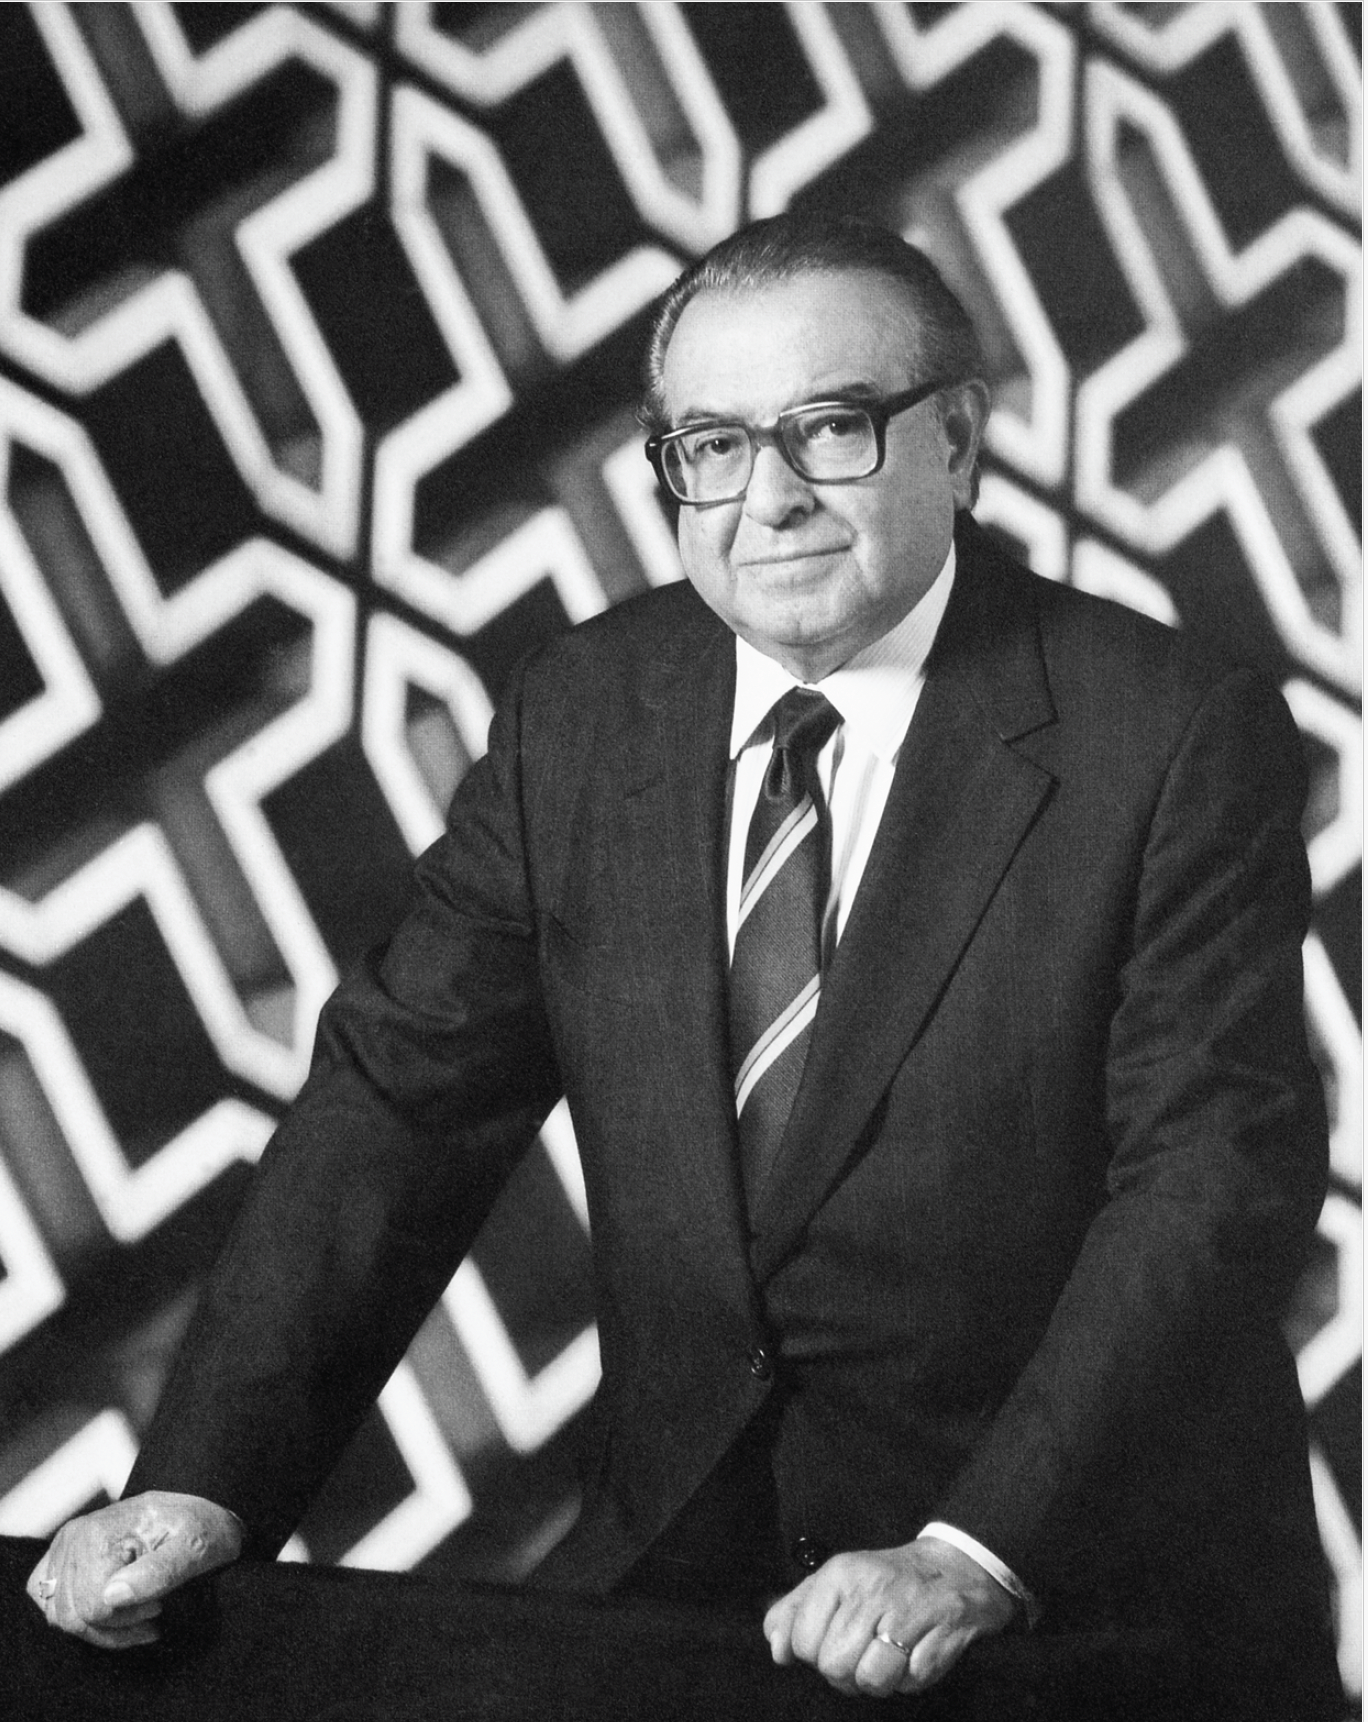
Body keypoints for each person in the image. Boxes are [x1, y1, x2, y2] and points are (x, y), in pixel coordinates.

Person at [27, 215, 1339, 1716]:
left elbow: (1210, 1177)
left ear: (960, 441)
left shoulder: (1170, 731)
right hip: (683, 1594)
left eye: (832, 428)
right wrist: (200, 1486)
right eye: (711, 445)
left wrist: (971, 1552)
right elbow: (399, 1106)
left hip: (1078, 1608)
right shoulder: (586, 711)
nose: (767, 497)